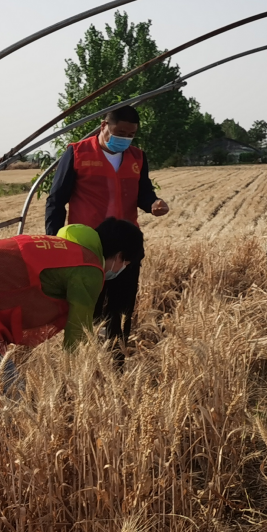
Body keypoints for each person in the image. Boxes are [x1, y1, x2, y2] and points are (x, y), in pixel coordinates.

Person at [0, 219, 145, 388]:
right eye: (125, 262)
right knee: (5, 387)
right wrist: (76, 382)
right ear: (119, 256)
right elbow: (78, 333)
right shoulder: (90, 268)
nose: (121, 268)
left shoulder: (66, 248)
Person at [45, 105, 169, 359]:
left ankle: (117, 362)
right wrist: (56, 242)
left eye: (131, 134)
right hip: (89, 247)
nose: (125, 138)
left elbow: (144, 191)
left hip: (126, 247)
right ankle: (86, 362)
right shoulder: (77, 153)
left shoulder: (137, 157)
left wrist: (153, 204)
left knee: (122, 309)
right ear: (104, 127)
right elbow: (56, 201)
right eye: (120, 132)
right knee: (89, 310)